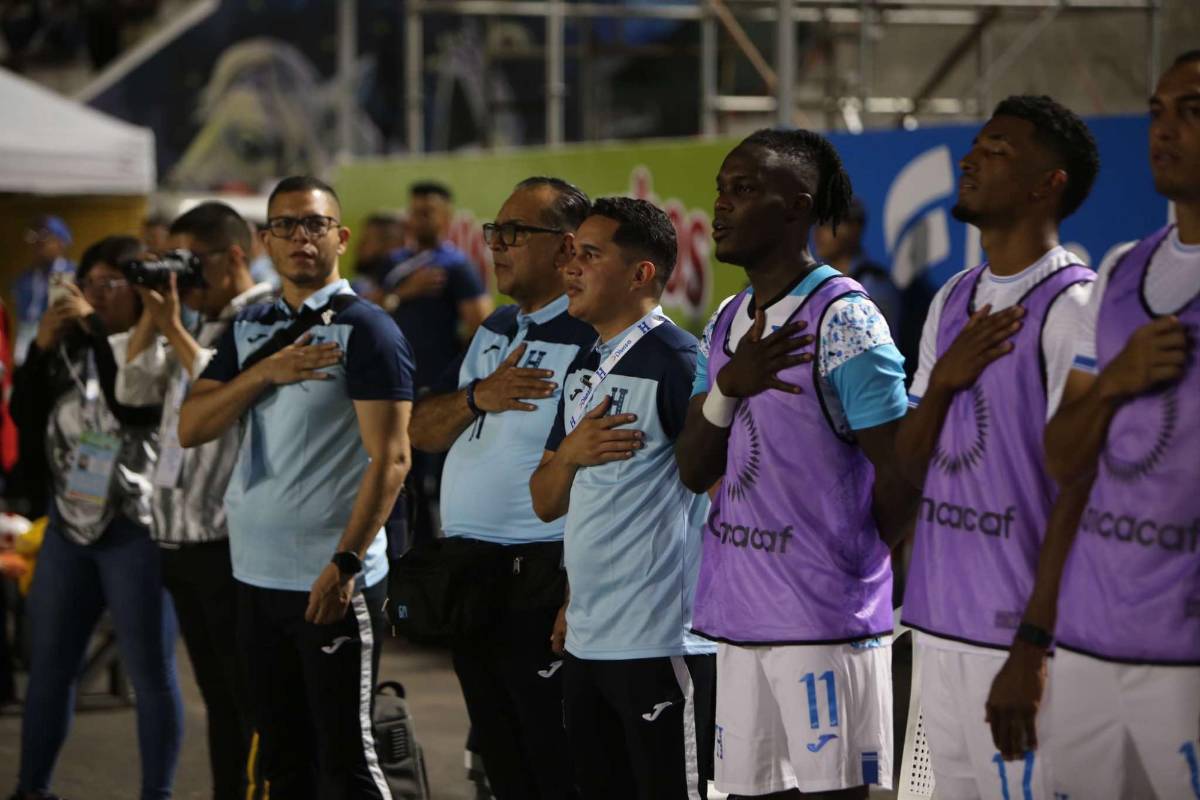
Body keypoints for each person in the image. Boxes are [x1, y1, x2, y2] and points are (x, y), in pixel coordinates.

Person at [675, 129, 916, 799]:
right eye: (722, 189)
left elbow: (901, 474)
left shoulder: (845, 319)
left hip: (822, 621)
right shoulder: (726, 322)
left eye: (745, 190)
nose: (722, 206)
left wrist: (849, 569)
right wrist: (730, 385)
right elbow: (694, 470)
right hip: (740, 612)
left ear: (796, 208)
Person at [986, 51, 1200, 799]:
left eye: (1192, 111)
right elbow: (1064, 458)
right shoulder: (1119, 271)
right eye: (1157, 112)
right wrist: (1116, 383)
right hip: (1087, 648)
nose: (1166, 130)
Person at [178, 176, 415, 800]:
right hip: (254, 575)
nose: (300, 237)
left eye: (314, 224)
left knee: (348, 764)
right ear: (265, 241)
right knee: (282, 761)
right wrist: (266, 373)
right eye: (285, 225)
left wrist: (345, 563)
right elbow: (191, 426)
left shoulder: (369, 330)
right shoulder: (250, 327)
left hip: (330, 579)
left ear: (340, 236)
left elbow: (391, 460)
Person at [894, 95, 1099, 798]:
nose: (970, 158)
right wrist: (947, 382)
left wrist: (1034, 645)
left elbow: (1084, 489)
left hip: (1020, 642)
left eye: (999, 149)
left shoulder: (1075, 307)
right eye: (975, 145)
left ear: (1051, 182)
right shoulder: (953, 298)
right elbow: (909, 461)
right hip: (938, 627)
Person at [408, 176, 595, 799]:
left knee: (556, 764)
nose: (498, 244)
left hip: (541, 577)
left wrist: (579, 584)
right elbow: (423, 430)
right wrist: (477, 397)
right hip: (472, 574)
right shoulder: (496, 328)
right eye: (495, 231)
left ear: (568, 247)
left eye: (516, 232)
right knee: (502, 761)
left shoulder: (595, 337)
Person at [530, 196, 717, 800]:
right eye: (571, 254)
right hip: (586, 640)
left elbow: (720, 492)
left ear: (642, 274)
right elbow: (546, 500)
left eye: (590, 254)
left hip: (660, 642)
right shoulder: (585, 365)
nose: (570, 268)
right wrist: (572, 454)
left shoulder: (679, 362)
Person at [8, 235, 182, 800]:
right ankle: (32, 790)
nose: (96, 296)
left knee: (150, 674)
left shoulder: (152, 344)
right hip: (70, 523)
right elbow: (25, 416)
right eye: (89, 284)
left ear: (140, 290)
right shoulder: (71, 345)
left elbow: (131, 403)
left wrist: (99, 331)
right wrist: (40, 348)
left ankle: (156, 794)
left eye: (111, 285)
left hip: (138, 529)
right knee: (49, 670)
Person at [115, 202, 276, 800]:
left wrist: (175, 325)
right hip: (179, 532)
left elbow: (232, 389)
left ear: (234, 256)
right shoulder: (198, 316)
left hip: (228, 540)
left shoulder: (261, 314)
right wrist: (154, 315)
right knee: (217, 699)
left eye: (192, 264)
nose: (182, 278)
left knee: (246, 698)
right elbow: (132, 387)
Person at [373, 181, 493, 549]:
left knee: (434, 481)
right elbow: (370, 309)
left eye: (427, 212)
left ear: (445, 217)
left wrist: (455, 373)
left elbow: (480, 322)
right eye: (414, 211)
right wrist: (402, 294)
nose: (418, 219)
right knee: (393, 474)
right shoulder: (394, 263)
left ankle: (439, 552)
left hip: (434, 392)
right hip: (392, 390)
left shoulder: (456, 266)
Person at [813, 197, 901, 334]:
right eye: (817, 224)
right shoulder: (813, 281)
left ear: (854, 229)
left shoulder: (873, 286)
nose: (819, 233)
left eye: (829, 224)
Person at [13, 215, 75, 365]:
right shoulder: (25, 279)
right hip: (27, 338)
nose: (37, 247)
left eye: (44, 241)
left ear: (60, 242)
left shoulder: (72, 274)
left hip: (57, 339)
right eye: (35, 242)